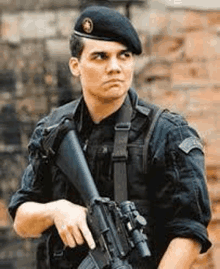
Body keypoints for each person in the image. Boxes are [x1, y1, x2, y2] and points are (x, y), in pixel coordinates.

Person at [8, 5, 212, 269]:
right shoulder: (53, 130)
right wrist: (56, 210)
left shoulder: (167, 132)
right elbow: (22, 220)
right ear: (75, 65)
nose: (115, 67)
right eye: (100, 57)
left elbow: (189, 230)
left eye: (124, 56)